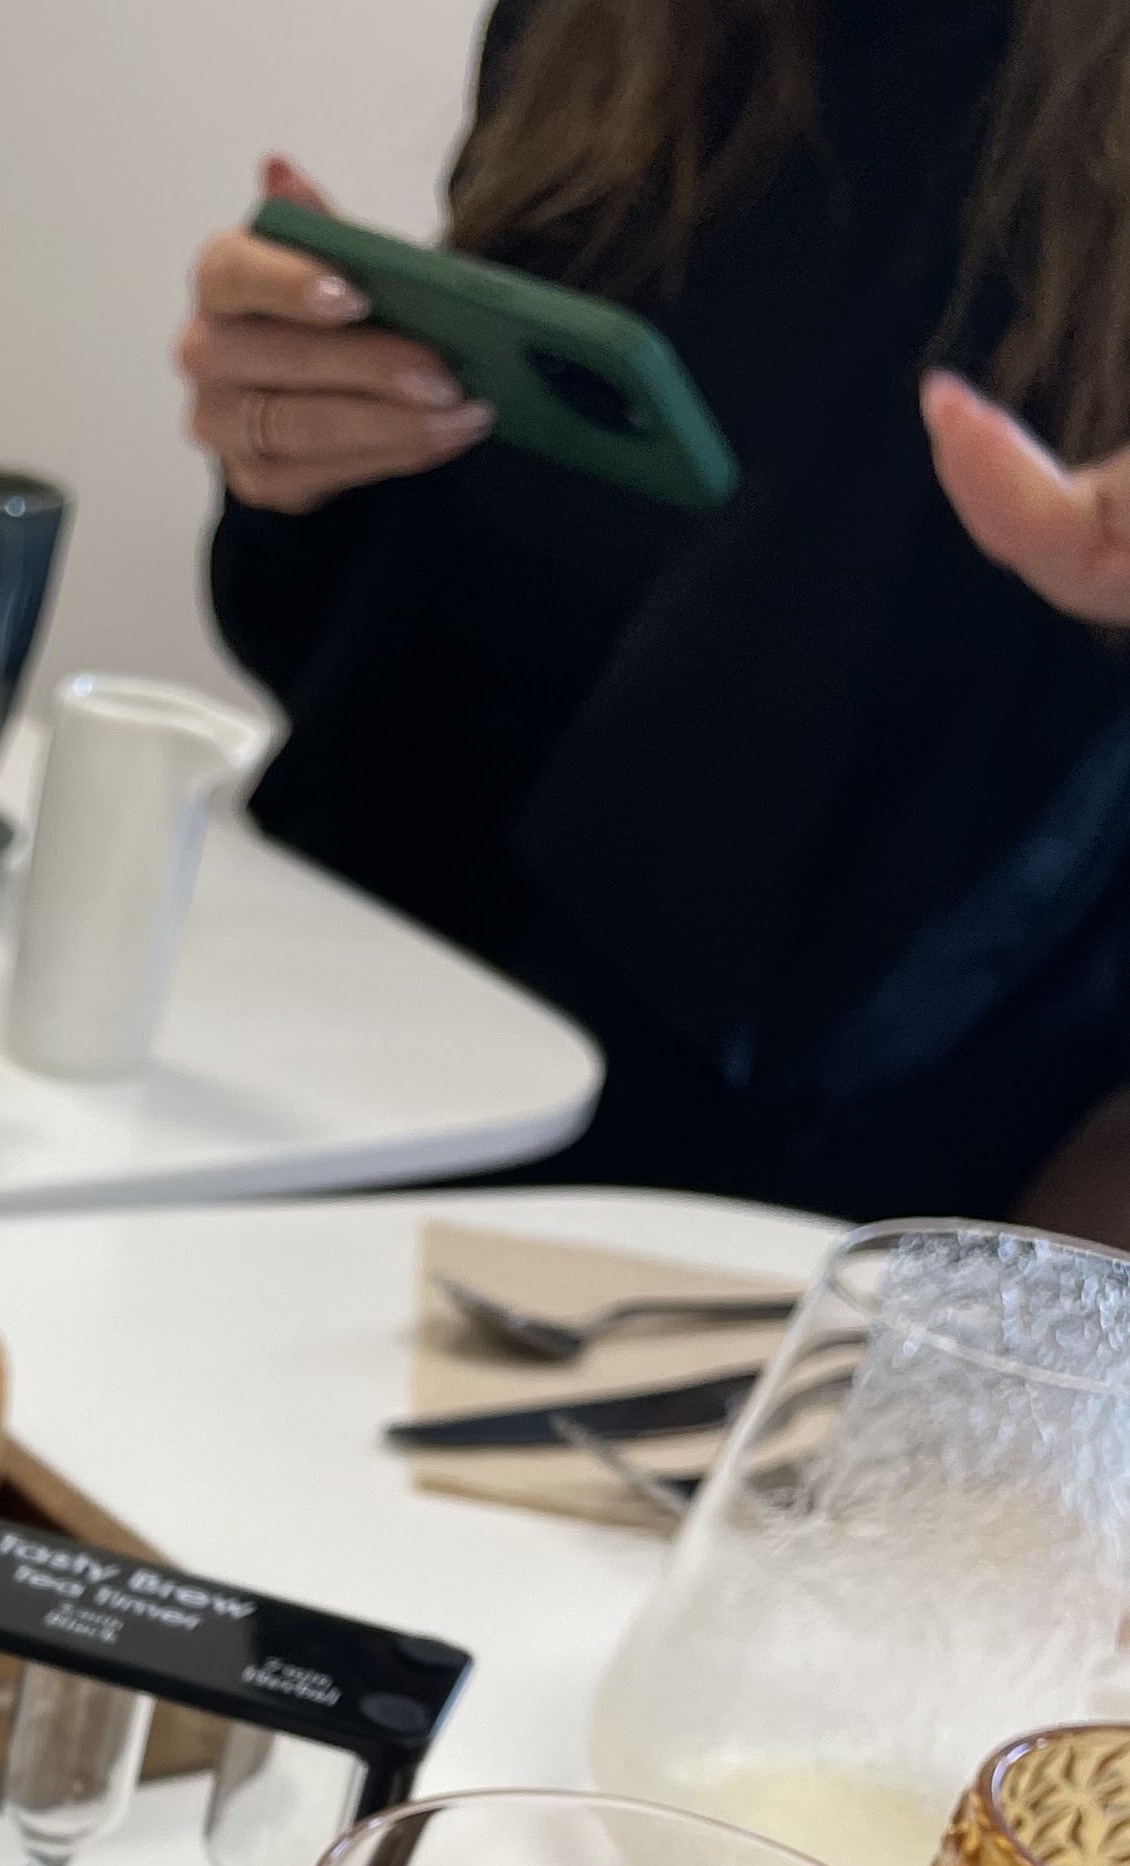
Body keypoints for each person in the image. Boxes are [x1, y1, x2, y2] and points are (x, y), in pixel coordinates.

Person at [179, 2, 1130, 1229]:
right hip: (337, 1065)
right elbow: (417, 652)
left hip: (807, 1235)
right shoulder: (618, 31)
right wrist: (303, 442)